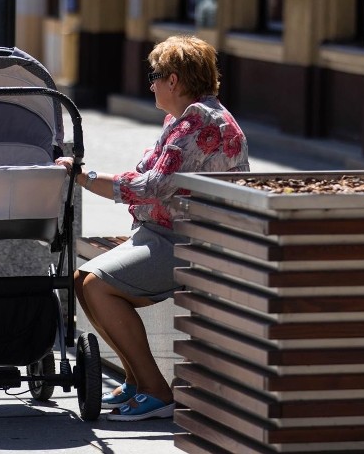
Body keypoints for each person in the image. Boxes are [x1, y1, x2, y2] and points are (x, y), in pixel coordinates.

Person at [55, 36, 250, 422]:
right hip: (166, 233)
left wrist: (85, 176)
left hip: (196, 242)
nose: (151, 84)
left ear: (173, 80)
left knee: (96, 285)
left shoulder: (201, 121)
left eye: (154, 75)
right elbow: (149, 176)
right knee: (81, 279)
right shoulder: (182, 119)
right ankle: (137, 382)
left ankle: (157, 391)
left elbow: (151, 187)